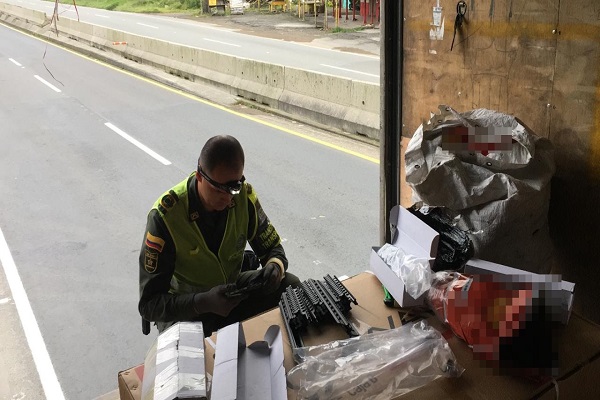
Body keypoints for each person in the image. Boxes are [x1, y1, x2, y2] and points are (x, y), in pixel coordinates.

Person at [138, 135, 300, 335]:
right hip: (187, 309)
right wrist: (203, 302)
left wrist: (275, 267)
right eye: (219, 189)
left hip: (231, 293)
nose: (228, 198)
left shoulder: (243, 197)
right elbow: (149, 305)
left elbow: (273, 248)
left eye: (234, 187)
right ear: (199, 175)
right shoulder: (166, 217)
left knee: (290, 286)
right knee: (197, 351)